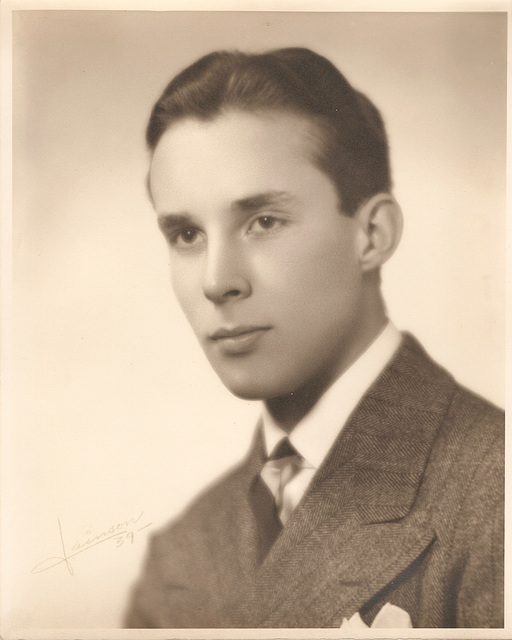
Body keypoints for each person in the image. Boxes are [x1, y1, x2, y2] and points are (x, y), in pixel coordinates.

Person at [124, 48, 504, 629]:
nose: (217, 281)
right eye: (185, 234)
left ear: (372, 235)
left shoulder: (495, 491)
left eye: (264, 222)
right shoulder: (181, 555)